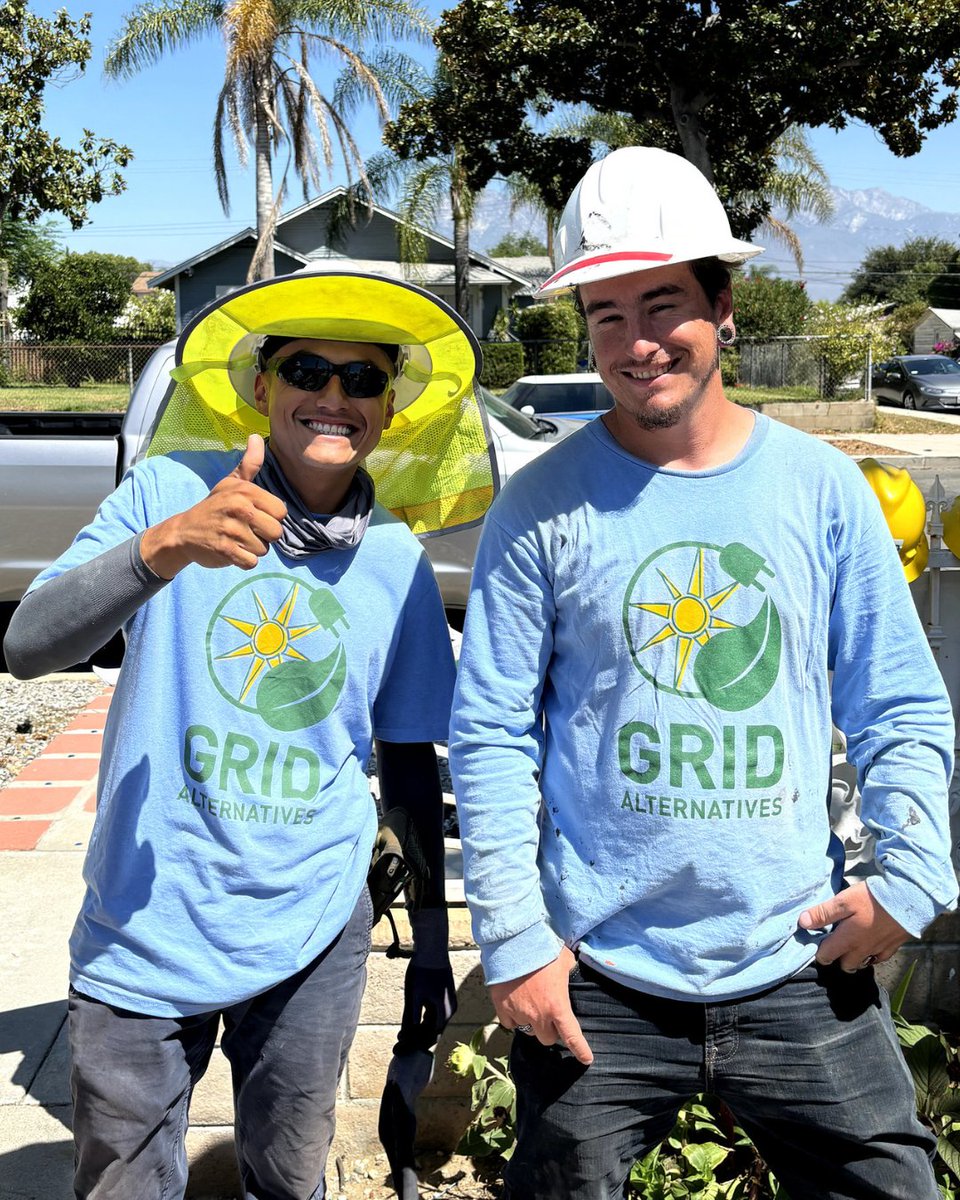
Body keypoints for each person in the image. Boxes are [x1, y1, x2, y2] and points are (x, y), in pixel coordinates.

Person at [448, 146, 958, 1200]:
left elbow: (897, 701)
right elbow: (493, 733)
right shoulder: (541, 507)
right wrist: (514, 940)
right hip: (600, 975)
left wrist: (910, 880)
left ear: (723, 305)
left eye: (663, 302)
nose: (636, 344)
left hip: (797, 957)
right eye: (605, 313)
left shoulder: (823, 491)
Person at [4, 267, 489, 1200]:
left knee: (285, 1178)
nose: (332, 397)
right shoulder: (167, 493)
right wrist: (164, 549)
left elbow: (408, 761)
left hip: (312, 927)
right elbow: (27, 645)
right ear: (261, 387)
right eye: (306, 369)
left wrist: (430, 943)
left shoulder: (393, 559)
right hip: (147, 921)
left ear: (390, 409)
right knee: (123, 1184)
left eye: (362, 379)